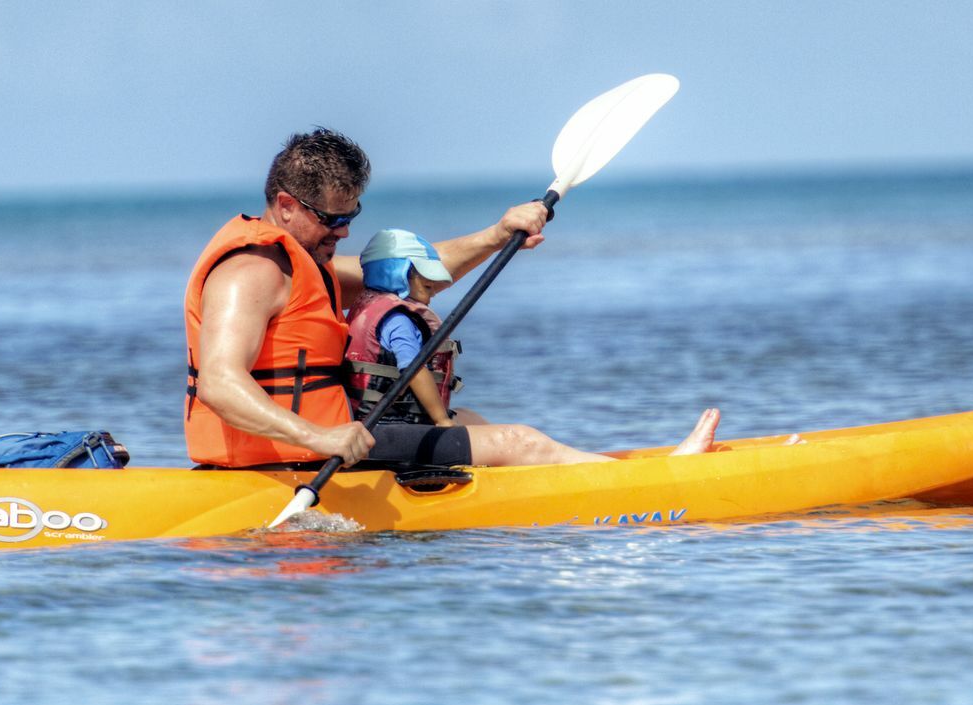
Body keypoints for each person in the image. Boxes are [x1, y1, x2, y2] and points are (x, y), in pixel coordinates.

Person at [185, 127, 718, 472]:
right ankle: (665, 480)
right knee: (520, 444)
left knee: (474, 419)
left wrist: (497, 232)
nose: (345, 233)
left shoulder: (306, 265)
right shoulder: (251, 272)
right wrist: (319, 436)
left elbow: (415, 274)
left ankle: (617, 471)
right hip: (289, 459)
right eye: (334, 220)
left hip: (328, 441)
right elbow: (218, 382)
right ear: (285, 204)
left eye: (353, 217)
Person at [343, 228, 482, 431]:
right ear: (398, 275)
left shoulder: (367, 306)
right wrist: (441, 420)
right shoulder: (398, 320)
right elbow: (414, 369)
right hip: (390, 428)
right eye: (427, 287)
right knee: (510, 436)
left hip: (369, 421)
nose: (433, 292)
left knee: (471, 417)